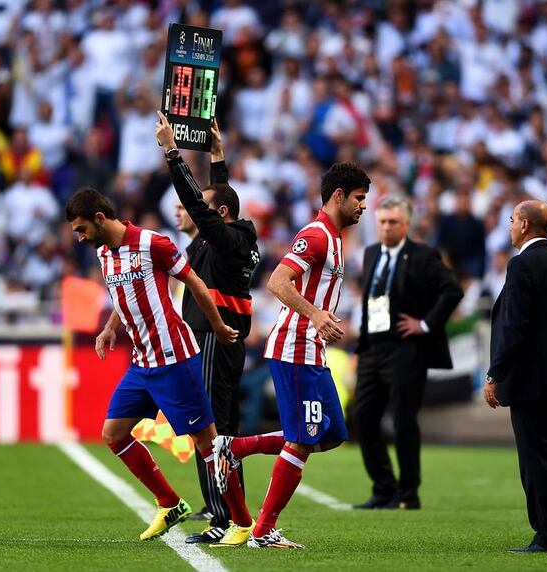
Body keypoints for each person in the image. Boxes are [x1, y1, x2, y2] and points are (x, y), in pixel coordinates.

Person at [66, 189, 256, 545]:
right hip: (141, 364)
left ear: (100, 219)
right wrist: (110, 328)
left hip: (174, 360)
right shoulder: (105, 254)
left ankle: (242, 522)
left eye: (81, 229)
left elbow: (195, 282)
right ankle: (169, 503)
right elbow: (122, 298)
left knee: (208, 445)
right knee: (114, 433)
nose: (80, 237)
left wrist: (216, 324)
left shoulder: (153, 243)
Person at [213, 163, 371, 549]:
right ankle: (263, 531)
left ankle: (235, 448)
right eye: (359, 198)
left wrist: (326, 318)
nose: (363, 206)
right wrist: (316, 315)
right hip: (294, 347)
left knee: (331, 432)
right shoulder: (316, 236)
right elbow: (277, 281)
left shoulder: (335, 239)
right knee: (302, 441)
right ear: (338, 196)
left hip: (311, 350)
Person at [155, 112, 260, 545]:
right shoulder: (224, 238)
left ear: (220, 215)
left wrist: (172, 154)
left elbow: (207, 205)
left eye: (190, 208)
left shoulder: (227, 239)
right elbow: (219, 199)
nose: (184, 211)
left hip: (215, 339)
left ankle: (222, 516)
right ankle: (227, 509)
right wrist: (217, 157)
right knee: (221, 428)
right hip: (216, 338)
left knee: (210, 424)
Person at [352, 195, 463, 510]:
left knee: (403, 420)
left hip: (405, 348)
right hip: (373, 347)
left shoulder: (424, 255)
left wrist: (425, 324)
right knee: (364, 419)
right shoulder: (372, 253)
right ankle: (383, 488)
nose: (386, 228)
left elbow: (453, 290)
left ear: (406, 224)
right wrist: (361, 345)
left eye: (393, 223)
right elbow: (370, 301)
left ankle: (408, 493)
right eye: (382, 222)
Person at [484, 200, 547, 553]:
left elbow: (514, 325)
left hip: (530, 381)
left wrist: (496, 373)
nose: (509, 226)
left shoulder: (521, 265)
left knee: (535, 459)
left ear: (524, 225)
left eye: (512, 220)